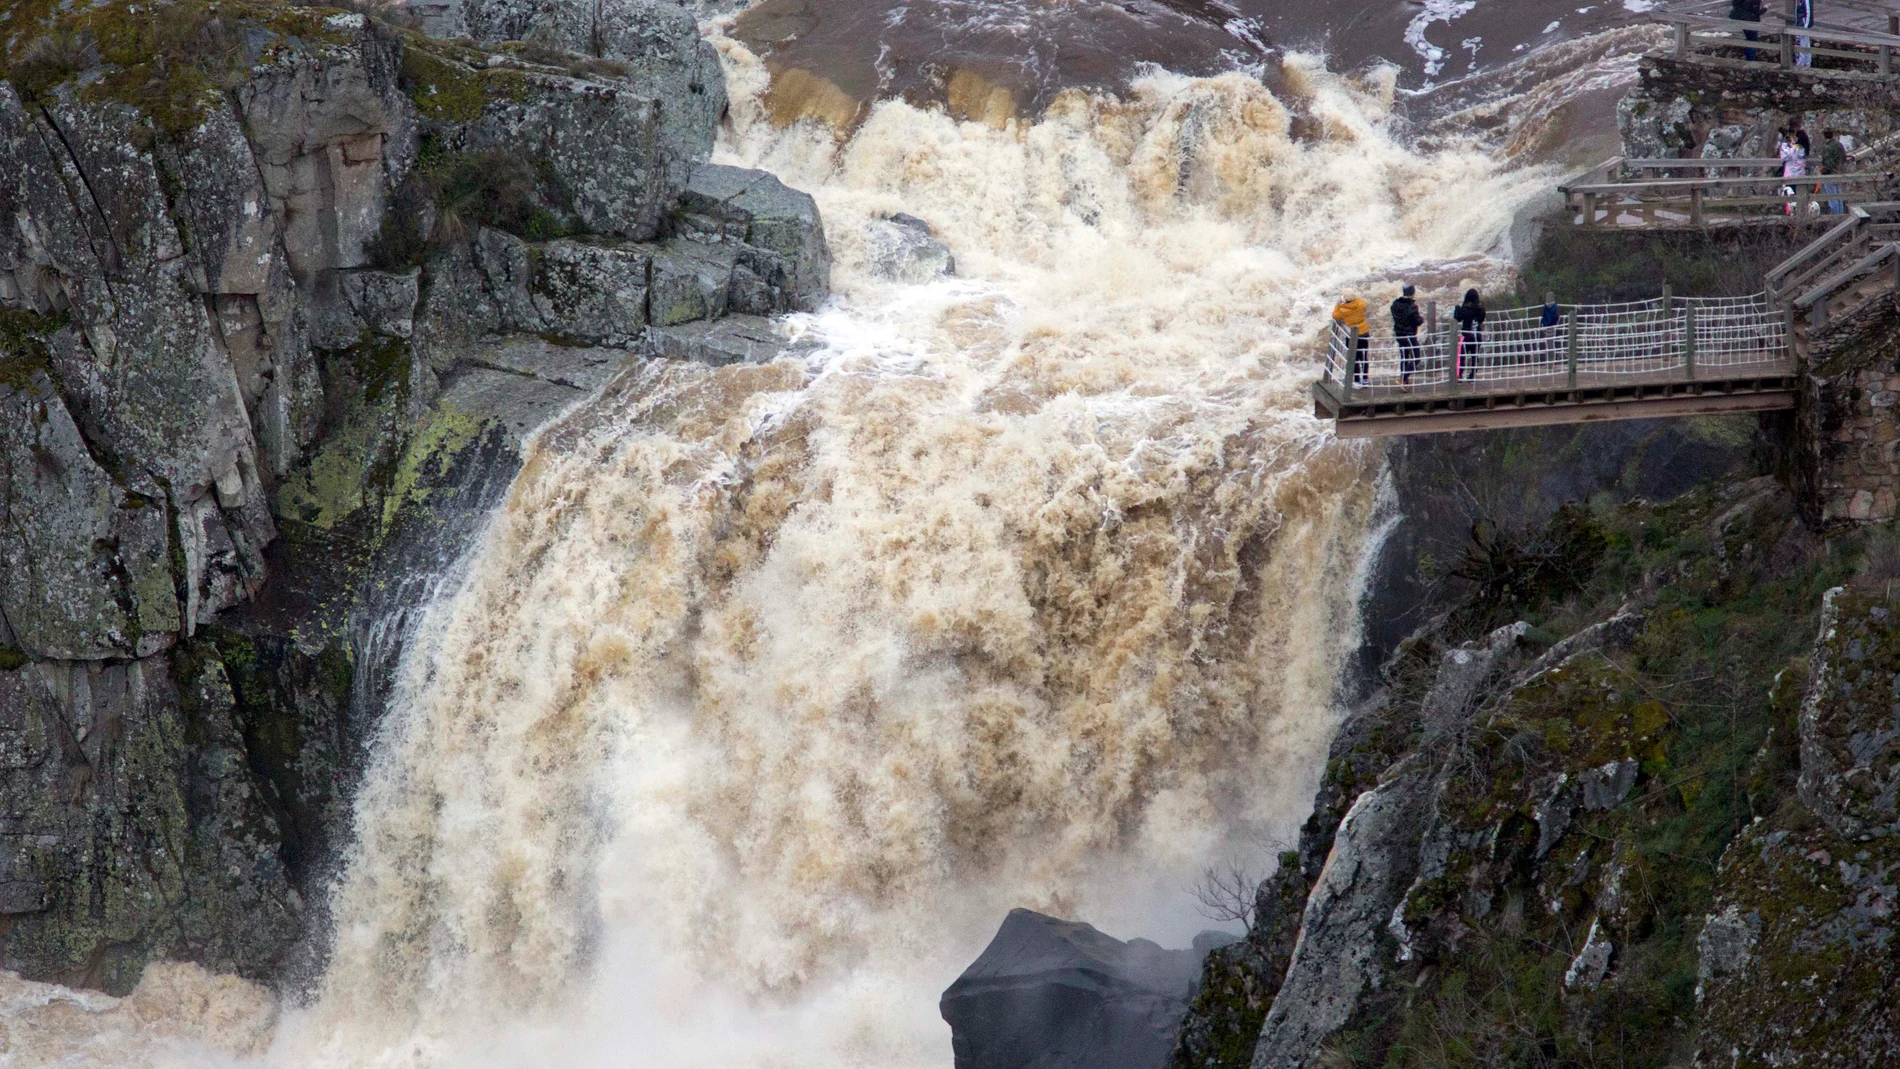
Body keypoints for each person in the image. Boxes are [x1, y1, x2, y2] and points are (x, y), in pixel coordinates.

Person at [1332, 292, 1371, 386]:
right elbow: (1363, 303)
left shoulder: (1343, 310)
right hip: (1364, 332)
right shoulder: (1360, 304)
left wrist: (1338, 304)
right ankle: (1365, 379)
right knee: (1364, 356)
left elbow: (1334, 315)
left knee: (1354, 358)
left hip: (1353, 335)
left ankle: (1357, 380)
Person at [1390, 284, 1423, 388]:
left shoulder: (1395, 304)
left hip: (1399, 333)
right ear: (1412, 293)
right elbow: (1416, 321)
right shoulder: (1412, 306)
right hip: (1409, 334)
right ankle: (1403, 378)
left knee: (1404, 357)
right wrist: (1421, 319)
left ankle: (1405, 383)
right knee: (1416, 358)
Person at [1452, 289, 1486, 380]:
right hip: (1477, 336)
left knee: (1462, 356)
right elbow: (1482, 319)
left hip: (1466, 336)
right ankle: (1472, 375)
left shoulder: (1465, 309)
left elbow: (1457, 318)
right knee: (1474, 356)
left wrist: (1457, 309)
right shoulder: (1480, 309)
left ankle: (1459, 374)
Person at [1779, 128, 1805, 214]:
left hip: (1791, 174)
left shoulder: (1796, 147)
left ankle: (1791, 213)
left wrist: (1787, 146)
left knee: (1790, 195)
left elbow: (1784, 156)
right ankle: (1798, 212)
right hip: (1799, 174)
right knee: (1797, 195)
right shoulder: (1802, 147)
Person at [1821, 128, 1847, 214]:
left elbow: (1828, 163)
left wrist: (1823, 171)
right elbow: (1844, 158)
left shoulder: (1827, 147)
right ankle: (1841, 216)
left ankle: (1835, 218)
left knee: (1832, 199)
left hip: (1830, 175)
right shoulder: (1839, 145)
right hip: (1839, 173)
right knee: (1839, 197)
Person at [1540, 292, 1562, 361]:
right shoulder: (1555, 306)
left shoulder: (1546, 307)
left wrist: (1543, 323)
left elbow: (1544, 316)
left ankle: (1552, 359)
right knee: (1551, 343)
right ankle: (1552, 360)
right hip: (1552, 326)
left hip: (1548, 325)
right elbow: (1556, 316)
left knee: (1550, 342)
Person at [1795, 0, 1813, 68]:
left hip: (1803, 26)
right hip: (1799, 25)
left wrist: (1805, 27)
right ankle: (1805, 64)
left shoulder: (1806, 1)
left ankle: (1802, 64)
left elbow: (1808, 13)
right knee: (1803, 45)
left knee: (1803, 45)